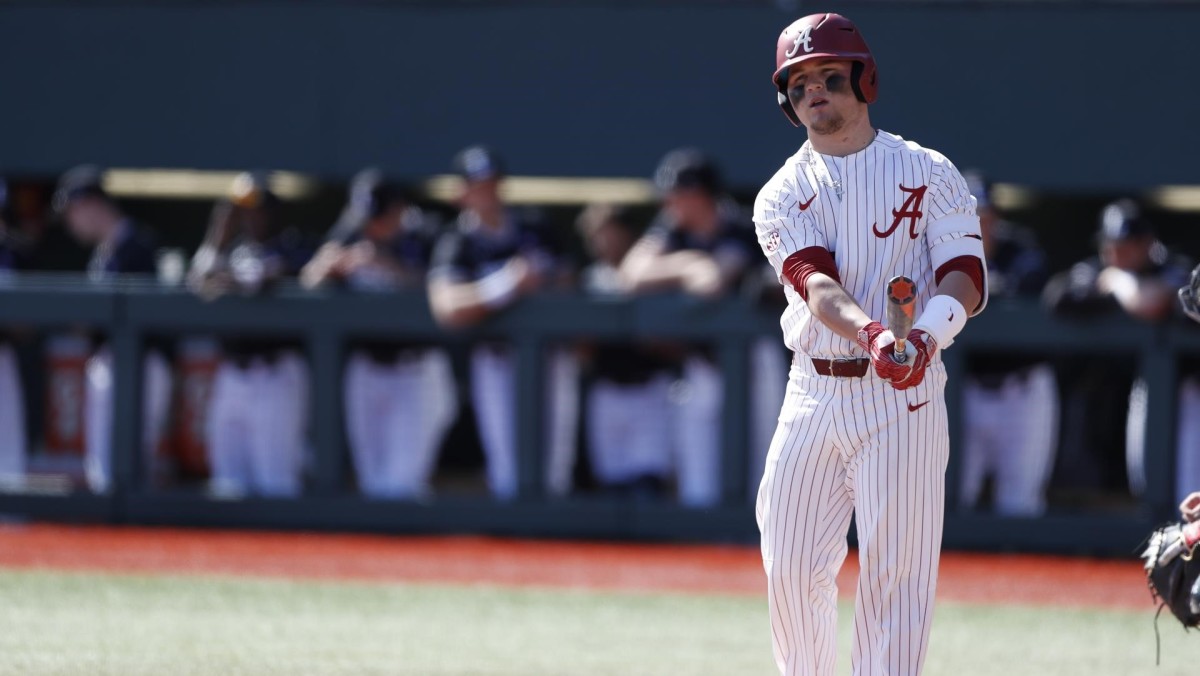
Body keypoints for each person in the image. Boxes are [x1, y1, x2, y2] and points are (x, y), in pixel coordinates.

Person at [752, 14, 987, 675]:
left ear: (864, 80)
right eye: (798, 84)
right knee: (792, 566)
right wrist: (878, 333)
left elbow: (964, 276)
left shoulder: (928, 170)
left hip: (902, 399)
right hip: (814, 389)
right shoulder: (782, 193)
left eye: (829, 75)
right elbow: (815, 282)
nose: (814, 91)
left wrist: (926, 339)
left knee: (897, 577)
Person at [426, 146, 578, 500]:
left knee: (554, 467)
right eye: (477, 185)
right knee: (508, 470)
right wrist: (505, 285)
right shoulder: (456, 242)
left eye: (491, 183)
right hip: (496, 360)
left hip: (548, 358)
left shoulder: (534, 226)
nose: (487, 193)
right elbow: (446, 307)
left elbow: (570, 282)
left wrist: (544, 285)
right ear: (460, 192)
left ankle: (552, 546)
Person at [301, 169, 456, 500]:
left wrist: (390, 268)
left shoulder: (428, 233)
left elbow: (443, 289)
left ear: (399, 209)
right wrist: (329, 267)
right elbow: (308, 281)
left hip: (416, 369)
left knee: (403, 484)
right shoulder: (352, 231)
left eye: (379, 216)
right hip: (367, 368)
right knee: (372, 482)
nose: (370, 225)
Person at [619, 148, 759, 507]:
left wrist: (690, 267)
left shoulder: (744, 225)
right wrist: (686, 262)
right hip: (703, 361)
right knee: (698, 456)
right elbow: (631, 273)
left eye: (678, 194)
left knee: (762, 452)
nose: (670, 202)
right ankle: (704, 542)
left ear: (701, 196)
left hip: (758, 364)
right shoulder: (672, 229)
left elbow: (712, 282)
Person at [1043, 199, 1190, 499]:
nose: (1116, 253)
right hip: (1108, 393)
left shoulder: (1168, 265)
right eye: (1110, 245)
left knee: (1177, 483)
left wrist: (1121, 283)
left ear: (1146, 243)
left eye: (1126, 245)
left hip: (1178, 393)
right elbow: (1056, 297)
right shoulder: (1095, 268)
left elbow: (1153, 302)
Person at [188, 172, 313, 497]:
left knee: (277, 482)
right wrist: (217, 236)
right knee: (227, 481)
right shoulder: (233, 249)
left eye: (256, 209)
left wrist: (224, 279)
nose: (249, 217)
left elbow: (262, 277)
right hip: (233, 372)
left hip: (275, 371)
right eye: (242, 210)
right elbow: (197, 282)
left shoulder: (294, 245)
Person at [54, 165, 173, 493]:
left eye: (73, 211)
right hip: (108, 360)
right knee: (103, 467)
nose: (70, 223)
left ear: (91, 203)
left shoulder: (140, 245)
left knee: (132, 461)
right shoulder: (102, 254)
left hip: (140, 362)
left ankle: (134, 536)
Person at [958, 171, 1056, 516]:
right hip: (963, 389)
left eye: (983, 217)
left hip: (1021, 389)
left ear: (996, 218)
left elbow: (1028, 288)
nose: (977, 226)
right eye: (967, 217)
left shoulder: (1022, 251)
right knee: (951, 496)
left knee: (1020, 502)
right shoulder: (933, 250)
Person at [576, 204, 676, 498]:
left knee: (648, 479)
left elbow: (673, 342)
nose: (603, 242)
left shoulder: (651, 274)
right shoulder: (588, 280)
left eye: (609, 233)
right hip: (607, 388)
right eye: (596, 235)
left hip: (650, 386)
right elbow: (580, 348)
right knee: (610, 479)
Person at [0, 178, 28, 484]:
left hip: (2, 354)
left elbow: (26, 326)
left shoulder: (15, 253)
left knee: (6, 444)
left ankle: (10, 522)